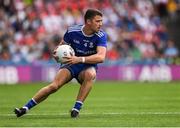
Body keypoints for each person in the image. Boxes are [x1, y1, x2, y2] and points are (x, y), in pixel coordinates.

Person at [14, 8, 107, 118]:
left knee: (90, 74)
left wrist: (80, 59)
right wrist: (57, 52)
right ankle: (25, 108)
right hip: (70, 63)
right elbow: (62, 45)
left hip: (87, 65)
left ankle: (76, 109)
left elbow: (101, 57)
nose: (100, 24)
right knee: (54, 86)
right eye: (98, 21)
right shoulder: (72, 31)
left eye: (101, 21)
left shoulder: (101, 36)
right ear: (88, 21)